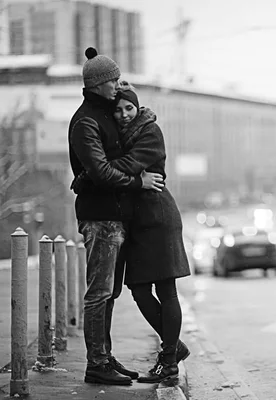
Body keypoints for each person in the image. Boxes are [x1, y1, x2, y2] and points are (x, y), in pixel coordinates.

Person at [73, 81, 192, 383]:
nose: (125, 114)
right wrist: (98, 173)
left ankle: (169, 360)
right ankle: (173, 346)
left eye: (130, 108)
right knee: (139, 292)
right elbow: (118, 169)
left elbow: (128, 164)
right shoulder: (119, 134)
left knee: (166, 290)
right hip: (137, 221)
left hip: (158, 217)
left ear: (138, 108)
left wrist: (93, 175)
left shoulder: (149, 132)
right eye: (119, 109)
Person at [68, 47, 165, 385]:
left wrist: (117, 82)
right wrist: (137, 180)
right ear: (97, 85)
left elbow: (101, 167)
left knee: (110, 293)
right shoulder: (86, 122)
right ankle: (96, 364)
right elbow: (102, 173)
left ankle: (105, 358)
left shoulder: (105, 112)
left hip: (115, 216)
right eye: (112, 81)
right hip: (100, 218)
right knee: (98, 293)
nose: (117, 86)